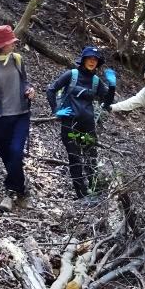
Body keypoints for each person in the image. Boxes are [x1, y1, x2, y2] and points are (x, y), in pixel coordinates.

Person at [0, 25, 36, 212]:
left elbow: (24, 81)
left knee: (16, 152)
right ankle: (21, 189)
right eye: (10, 42)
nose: (13, 45)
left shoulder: (18, 60)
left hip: (20, 114)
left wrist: (29, 90)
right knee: (8, 156)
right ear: (1, 45)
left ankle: (10, 191)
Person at [46, 46, 116, 200]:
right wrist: (56, 110)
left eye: (95, 59)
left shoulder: (96, 81)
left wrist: (112, 87)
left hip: (87, 128)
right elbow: (51, 90)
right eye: (90, 58)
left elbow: (107, 103)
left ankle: (94, 190)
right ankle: (82, 195)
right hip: (70, 127)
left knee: (91, 157)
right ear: (83, 59)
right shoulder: (72, 75)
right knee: (75, 158)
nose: (92, 61)